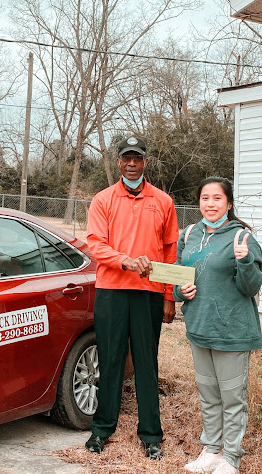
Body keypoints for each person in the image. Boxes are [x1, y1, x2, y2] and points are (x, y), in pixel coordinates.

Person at [84, 136, 179, 460]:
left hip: (149, 294)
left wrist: (169, 296)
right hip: (111, 291)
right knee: (110, 360)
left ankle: (151, 435)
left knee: (145, 363)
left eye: (137, 158)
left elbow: (170, 252)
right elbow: (95, 245)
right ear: (118, 162)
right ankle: (102, 429)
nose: (132, 163)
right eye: (127, 157)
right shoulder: (103, 199)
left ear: (145, 162)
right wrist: (125, 260)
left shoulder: (163, 201)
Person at [175, 177, 262, 474]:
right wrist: (179, 291)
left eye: (217, 198)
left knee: (232, 398)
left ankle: (231, 458)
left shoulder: (242, 238)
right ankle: (211, 451)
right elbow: (179, 277)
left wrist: (245, 261)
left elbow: (251, 289)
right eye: (204, 198)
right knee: (208, 394)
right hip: (199, 327)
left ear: (229, 203)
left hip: (232, 331)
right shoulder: (187, 234)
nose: (210, 204)